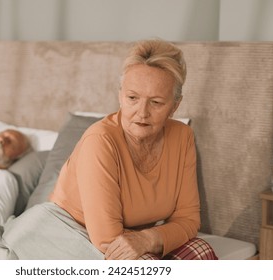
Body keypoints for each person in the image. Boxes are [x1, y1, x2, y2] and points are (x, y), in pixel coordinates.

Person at [49, 39, 216, 260]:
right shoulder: (100, 140)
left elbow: (189, 219)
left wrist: (149, 239)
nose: (142, 112)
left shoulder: (182, 136)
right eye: (132, 98)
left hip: (135, 238)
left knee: (202, 250)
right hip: (73, 239)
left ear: (175, 106)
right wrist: (151, 241)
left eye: (156, 102)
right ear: (120, 96)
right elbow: (107, 240)